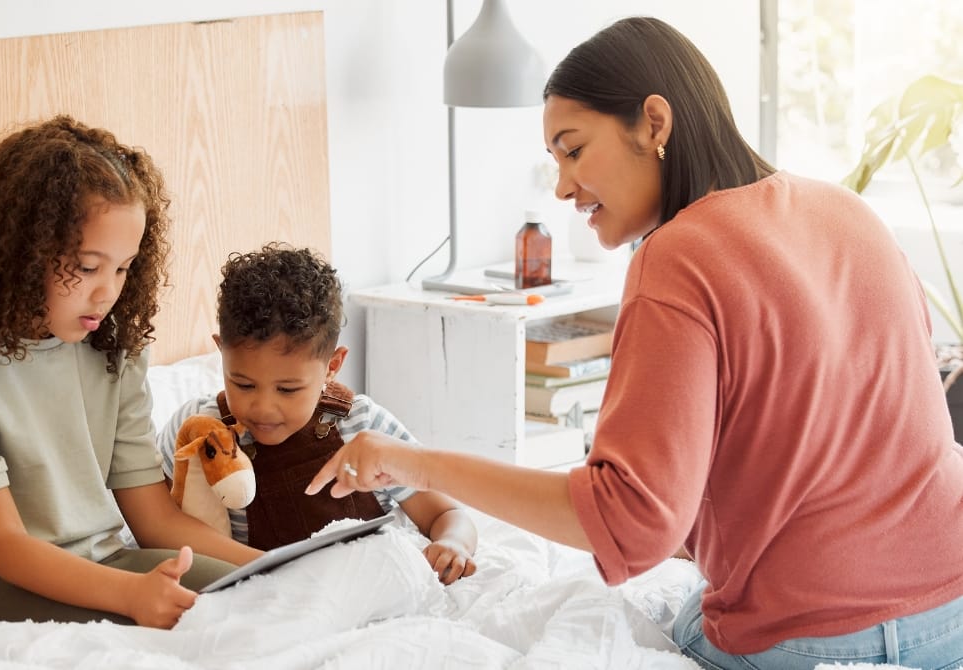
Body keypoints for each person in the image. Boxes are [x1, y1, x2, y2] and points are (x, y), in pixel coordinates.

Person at [308, 16, 963, 669]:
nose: (562, 186)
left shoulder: (676, 258)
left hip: (807, 636)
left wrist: (414, 462)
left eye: (573, 149)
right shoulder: (847, 210)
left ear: (654, 123)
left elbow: (630, 525)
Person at [0, 115, 262, 630]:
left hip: (106, 562)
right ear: (20, 255)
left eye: (123, 267)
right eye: (87, 267)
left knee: (259, 602)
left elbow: (154, 520)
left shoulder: (114, 352)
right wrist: (131, 595)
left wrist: (274, 568)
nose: (108, 292)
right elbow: (6, 548)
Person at [157, 244, 478, 585]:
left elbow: (446, 513)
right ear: (221, 352)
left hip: (360, 590)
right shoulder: (196, 431)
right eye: (244, 384)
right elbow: (161, 522)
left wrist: (452, 543)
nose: (263, 408)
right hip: (260, 602)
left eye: (288, 389)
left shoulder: (364, 428)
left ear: (332, 366)